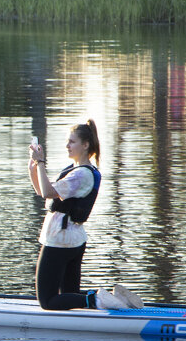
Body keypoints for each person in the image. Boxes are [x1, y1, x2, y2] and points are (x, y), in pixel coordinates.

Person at [28, 121, 139, 311]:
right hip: (73, 239)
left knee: (48, 301)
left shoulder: (80, 175)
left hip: (60, 240)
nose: (67, 145)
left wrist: (41, 162)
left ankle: (97, 300)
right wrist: (33, 168)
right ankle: (108, 298)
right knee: (68, 295)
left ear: (85, 145)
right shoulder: (79, 171)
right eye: (67, 141)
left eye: (72, 141)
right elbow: (43, 191)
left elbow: (47, 192)